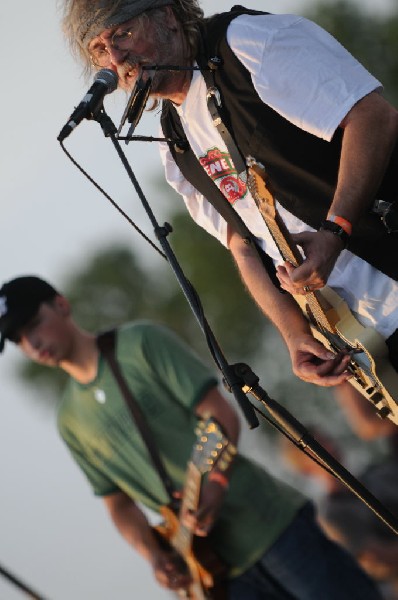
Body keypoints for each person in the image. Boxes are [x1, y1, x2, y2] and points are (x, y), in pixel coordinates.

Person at [61, 0, 398, 393]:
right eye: (100, 49)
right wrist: (294, 334)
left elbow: (372, 116)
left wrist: (335, 231)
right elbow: (242, 246)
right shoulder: (174, 145)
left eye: (122, 33)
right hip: (380, 326)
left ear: (167, 14)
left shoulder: (247, 44)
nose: (117, 57)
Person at [0, 274, 385, 599]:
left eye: (33, 324)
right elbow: (117, 504)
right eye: (18, 339)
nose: (31, 344)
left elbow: (217, 414)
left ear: (62, 305)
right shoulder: (70, 421)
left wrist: (214, 482)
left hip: (272, 528)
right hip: (214, 575)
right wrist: (154, 555)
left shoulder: (139, 344)